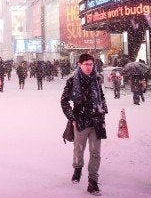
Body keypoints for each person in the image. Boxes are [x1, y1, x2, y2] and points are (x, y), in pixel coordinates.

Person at [61, 53, 108, 196]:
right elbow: (64, 101)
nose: (89, 67)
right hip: (81, 121)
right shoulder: (72, 81)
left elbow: (102, 96)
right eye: (86, 64)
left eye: (91, 64)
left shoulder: (97, 79)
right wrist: (73, 118)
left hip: (97, 121)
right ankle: (78, 168)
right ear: (79, 65)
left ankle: (92, 182)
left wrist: (103, 109)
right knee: (79, 149)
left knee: (95, 153)